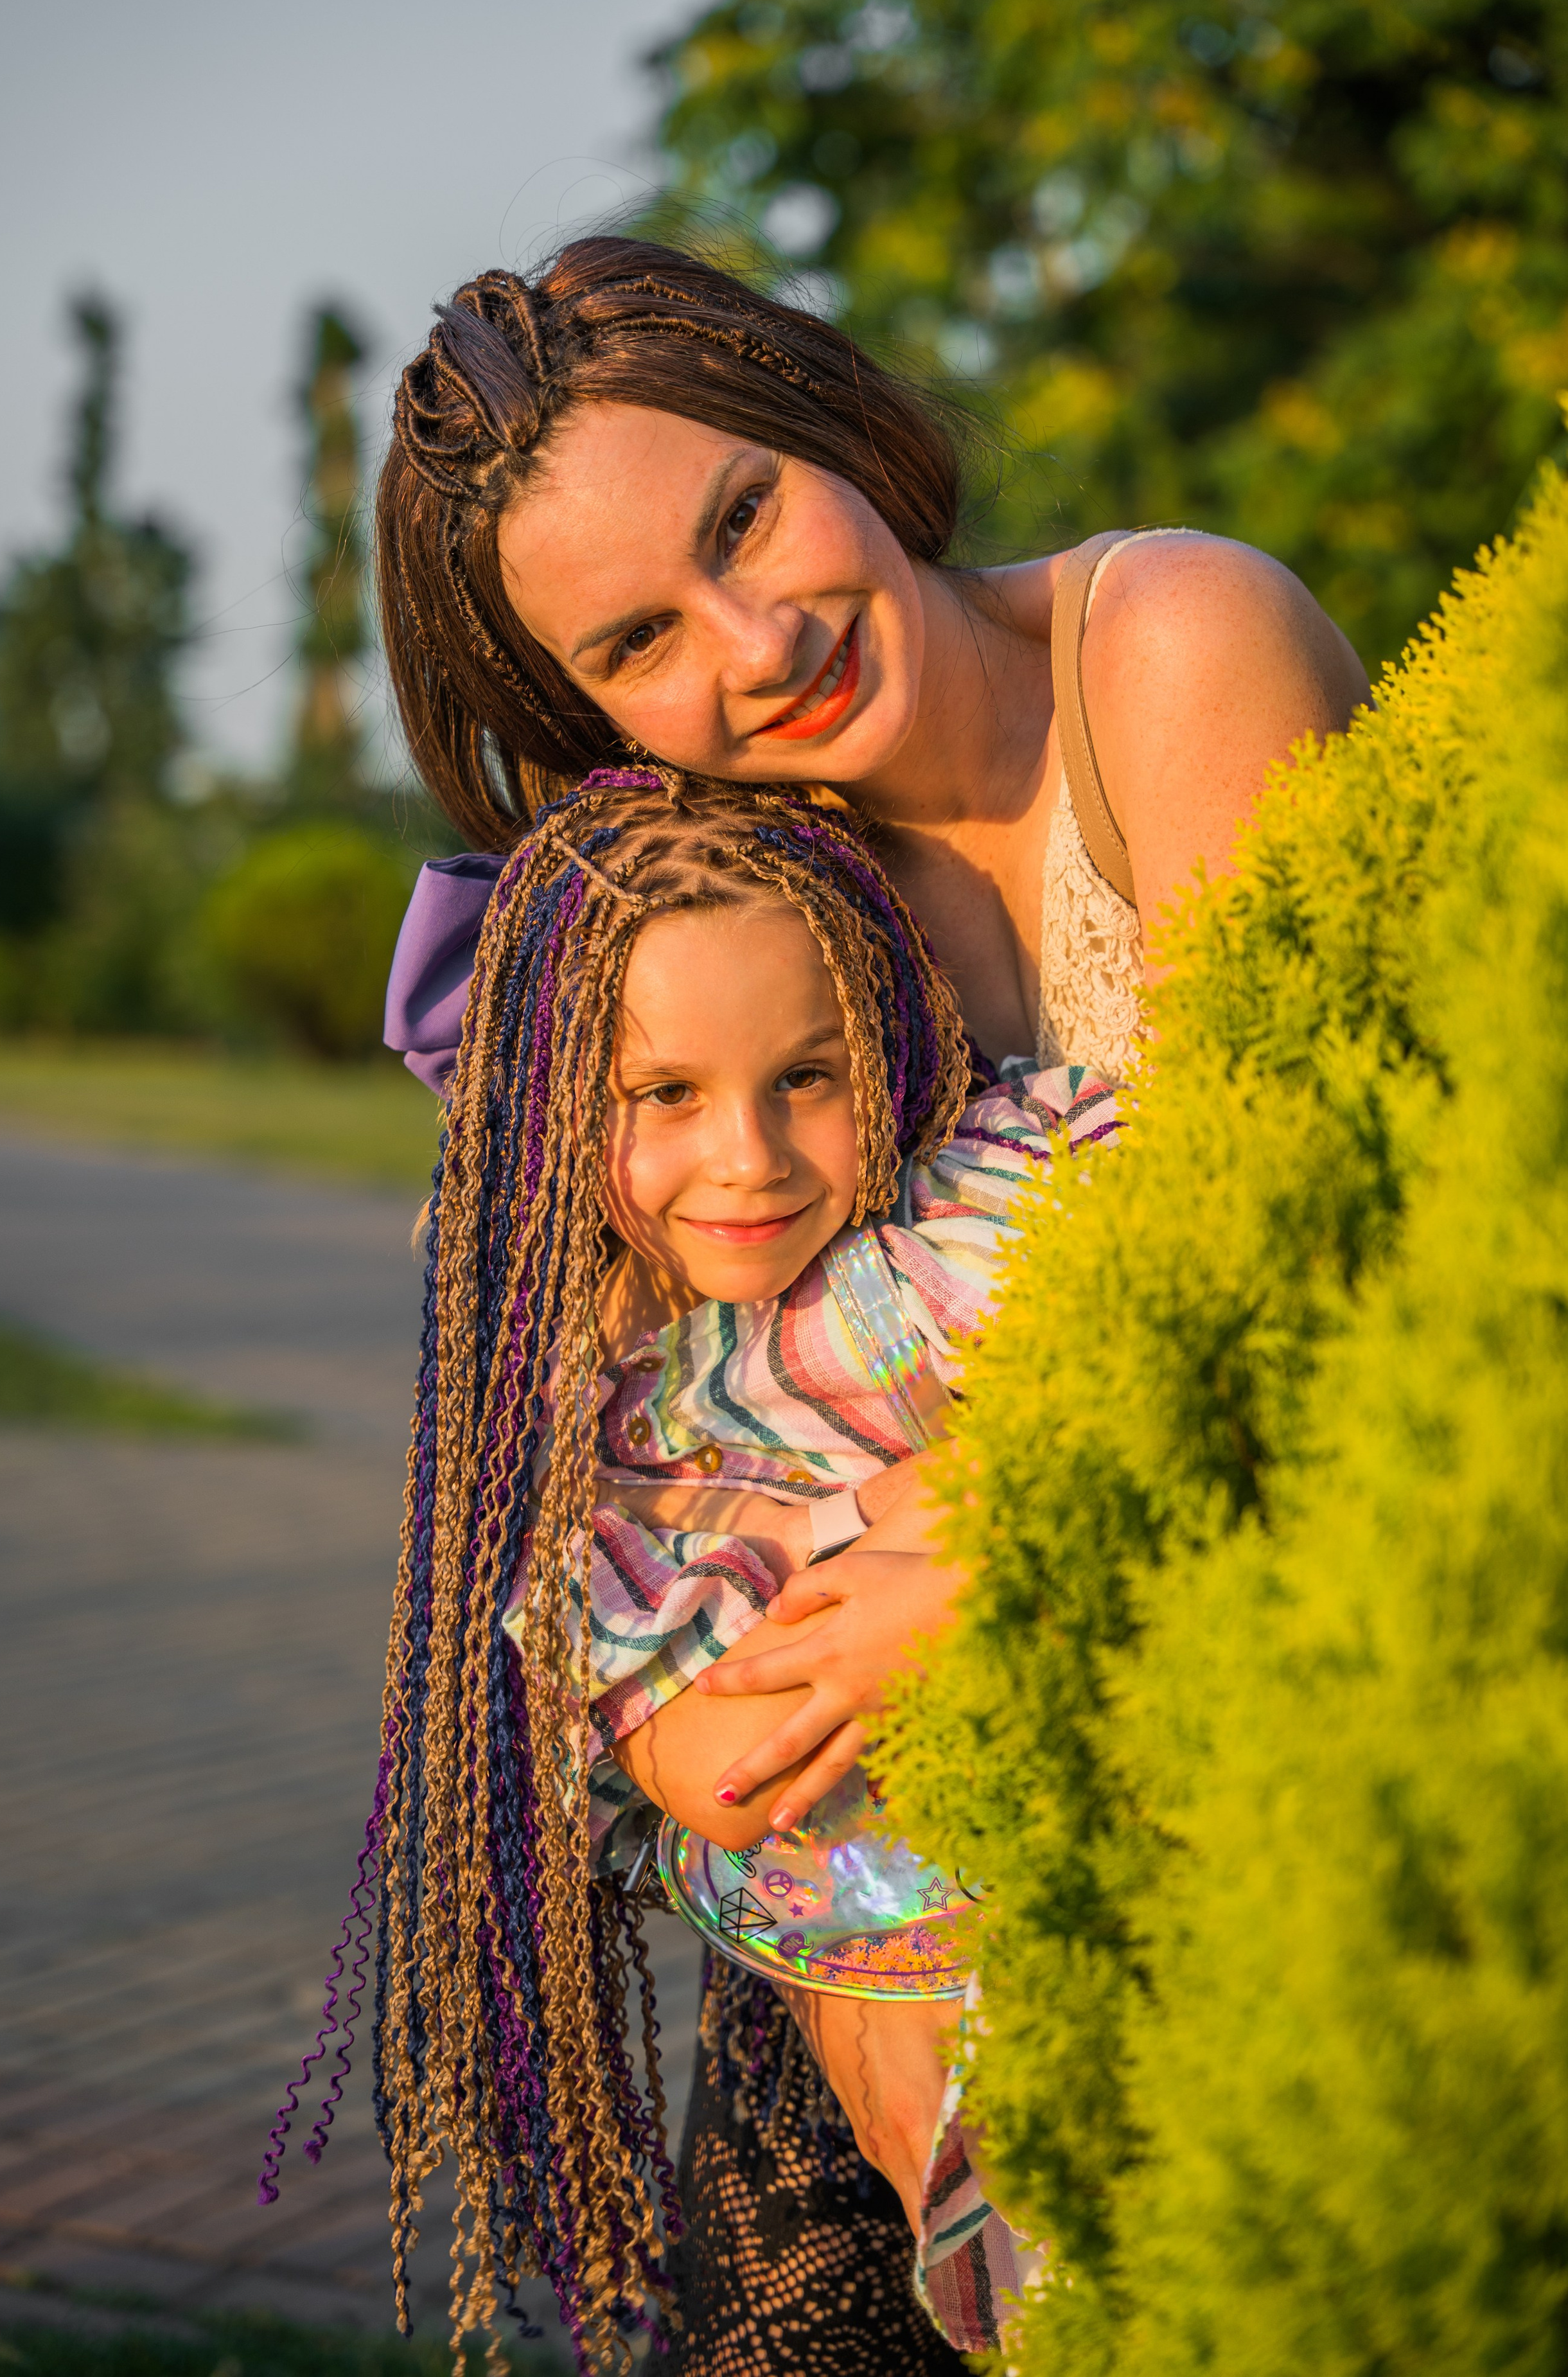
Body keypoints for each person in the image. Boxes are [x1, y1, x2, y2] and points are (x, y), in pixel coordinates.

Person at [372, 234, 1369, 2369]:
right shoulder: (769, 896)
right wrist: (653, 1698)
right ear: (595, 720)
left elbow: (1271, 1243)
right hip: (898, 1820)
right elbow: (631, 1380)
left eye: (747, 517)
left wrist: (977, 1551)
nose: (757, 640)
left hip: (1244, 1703)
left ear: (829, 422)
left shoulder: (1169, 645)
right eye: (642, 641)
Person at [269, 769, 1117, 2371]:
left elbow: (1182, 1348)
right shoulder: (601, 1458)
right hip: (937, 2008)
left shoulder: (1008, 1177)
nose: (749, 1158)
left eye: (806, 1075)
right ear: (546, 1104)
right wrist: (951, 1501)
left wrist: (959, 1528)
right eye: (659, 1095)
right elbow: (734, 1764)